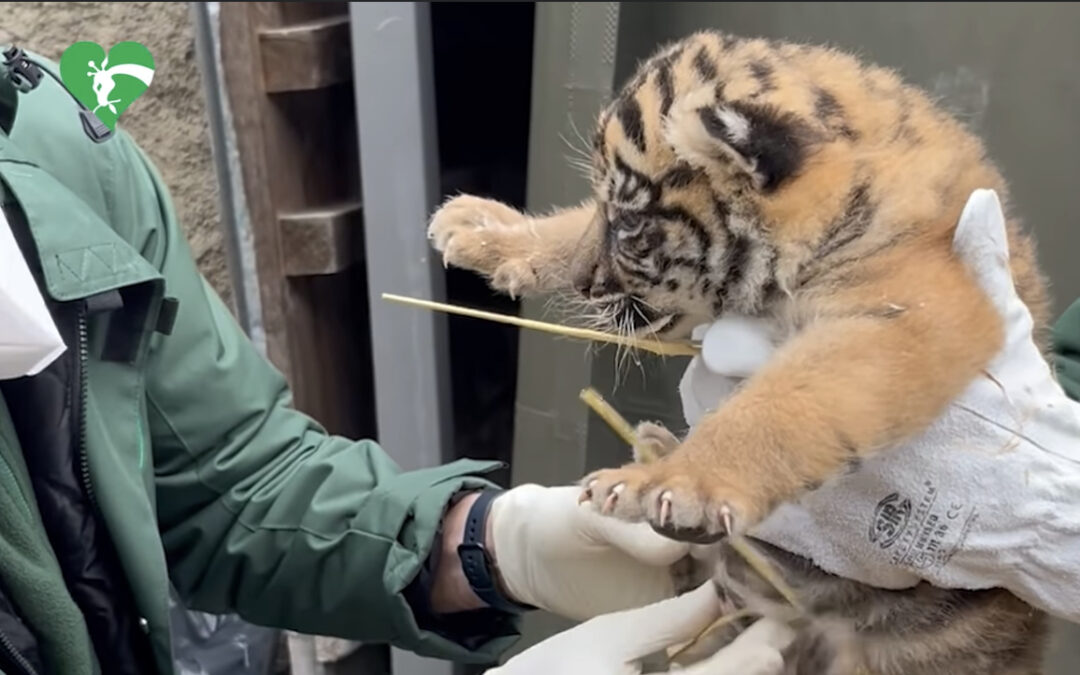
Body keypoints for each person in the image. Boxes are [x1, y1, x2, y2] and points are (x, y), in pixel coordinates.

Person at [0, 46, 1078, 675]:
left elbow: (229, 483)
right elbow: (639, 219)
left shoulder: (47, 127)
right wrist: (537, 248)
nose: (611, 274)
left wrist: (483, 544)